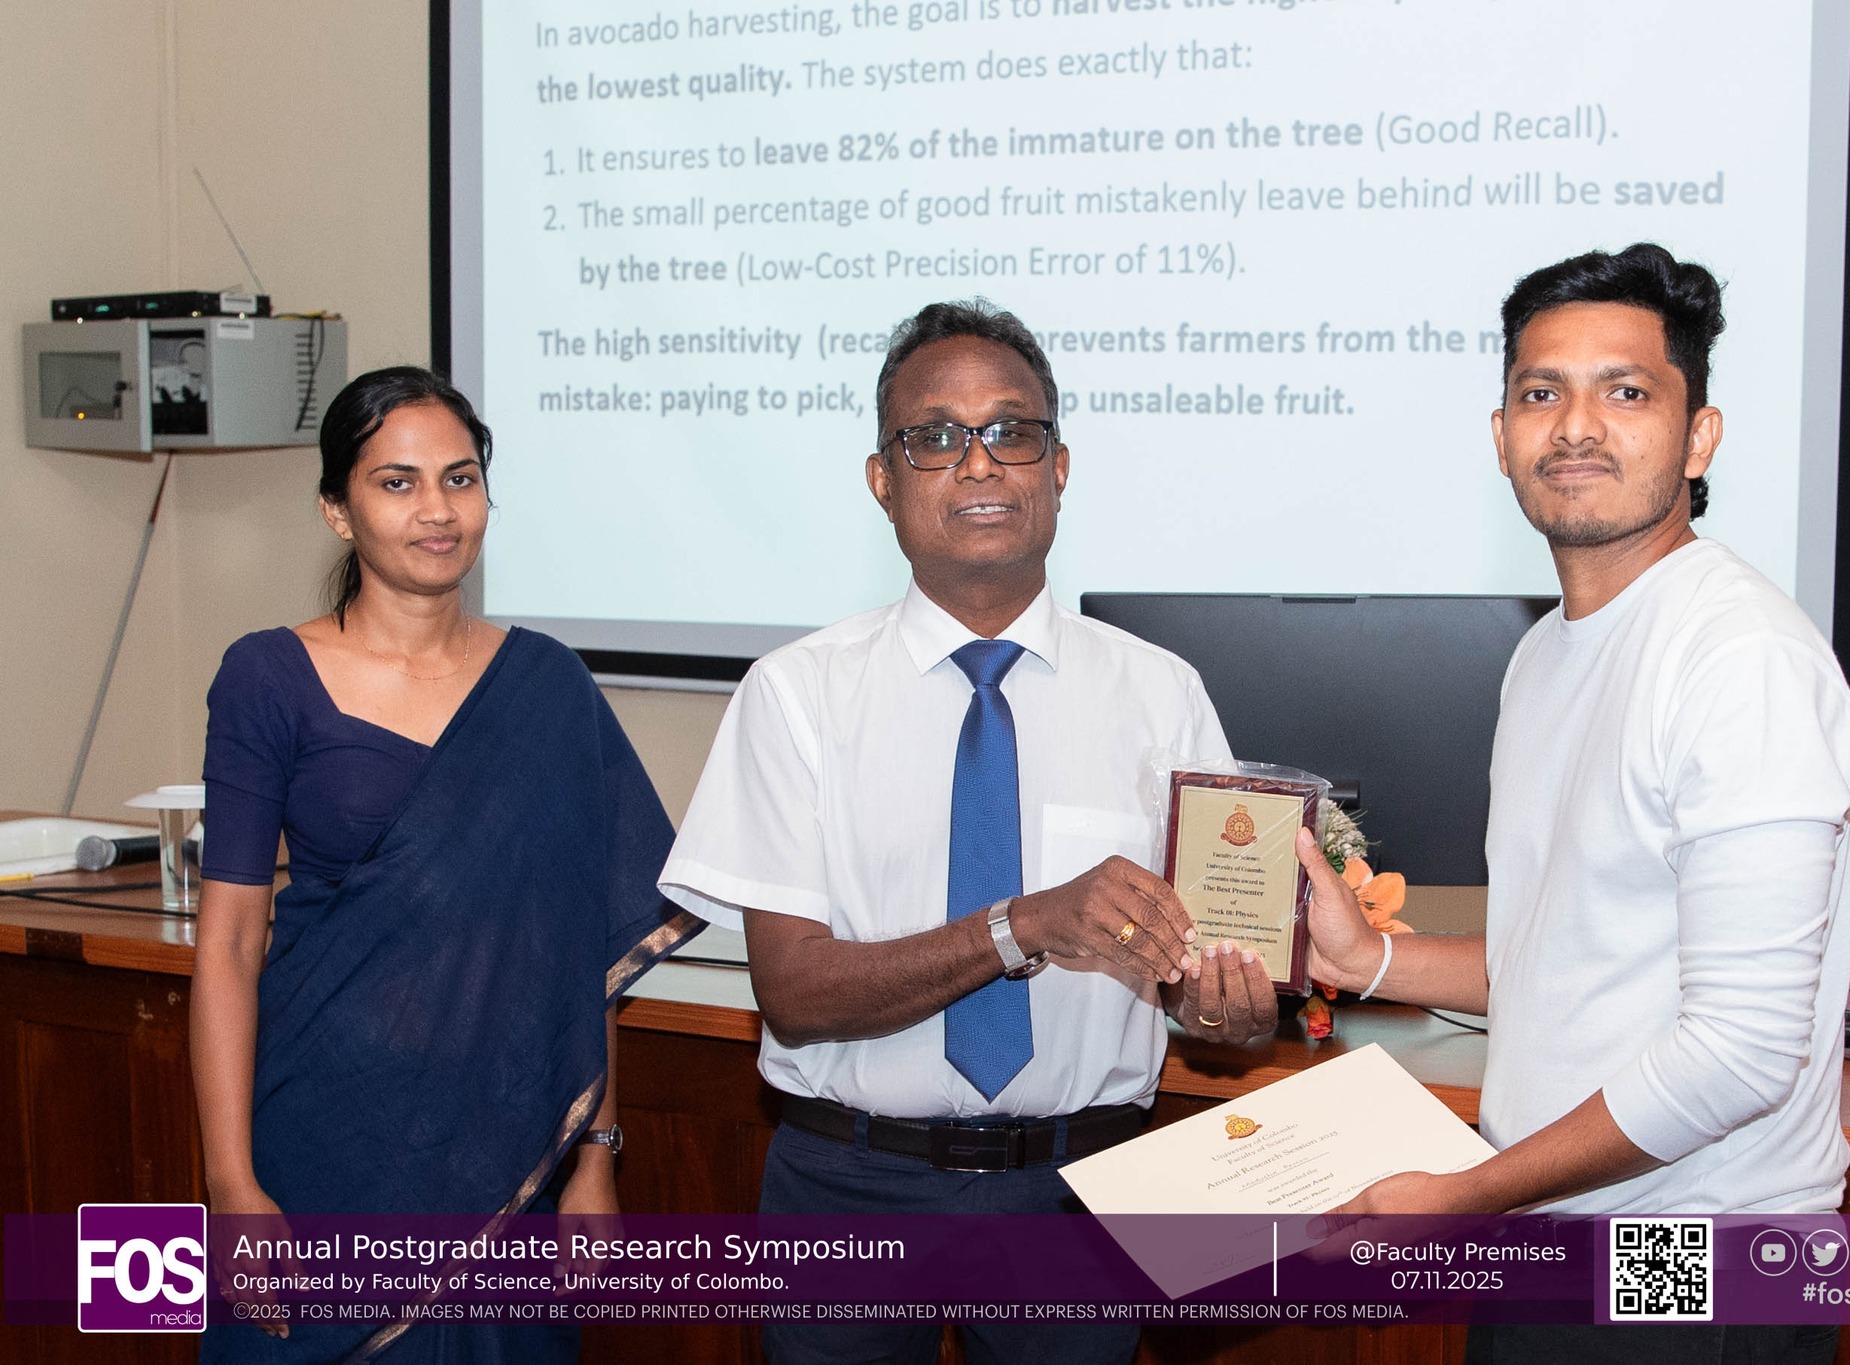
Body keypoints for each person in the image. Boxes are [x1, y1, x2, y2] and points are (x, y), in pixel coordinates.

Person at [660, 299, 1280, 1364]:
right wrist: (1021, 926)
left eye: (1012, 430)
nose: (980, 461)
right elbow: (794, 994)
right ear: (882, 480)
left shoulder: (1161, 693)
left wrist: (1228, 1006)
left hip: (1078, 1193)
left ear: (1058, 468)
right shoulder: (795, 694)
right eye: (936, 436)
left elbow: (1208, 986)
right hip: (848, 1185)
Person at [1299, 245, 1850, 1364]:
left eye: (1627, 391)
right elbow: (1572, 959)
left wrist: (1466, 1194)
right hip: (1559, 1244)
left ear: (1699, 437)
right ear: (1500, 433)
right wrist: (1370, 959)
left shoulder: (1738, 656)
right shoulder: (1545, 655)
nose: (1575, 427)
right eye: (1540, 393)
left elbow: (1742, 1053)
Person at [191, 366, 702, 1363]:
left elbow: (582, 951)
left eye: (460, 479)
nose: (438, 509)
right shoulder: (267, 677)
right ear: (337, 510)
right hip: (322, 1135)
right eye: (398, 482)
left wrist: (595, 1156)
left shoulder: (547, 686)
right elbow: (229, 944)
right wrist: (230, 1183)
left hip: (508, 1149)